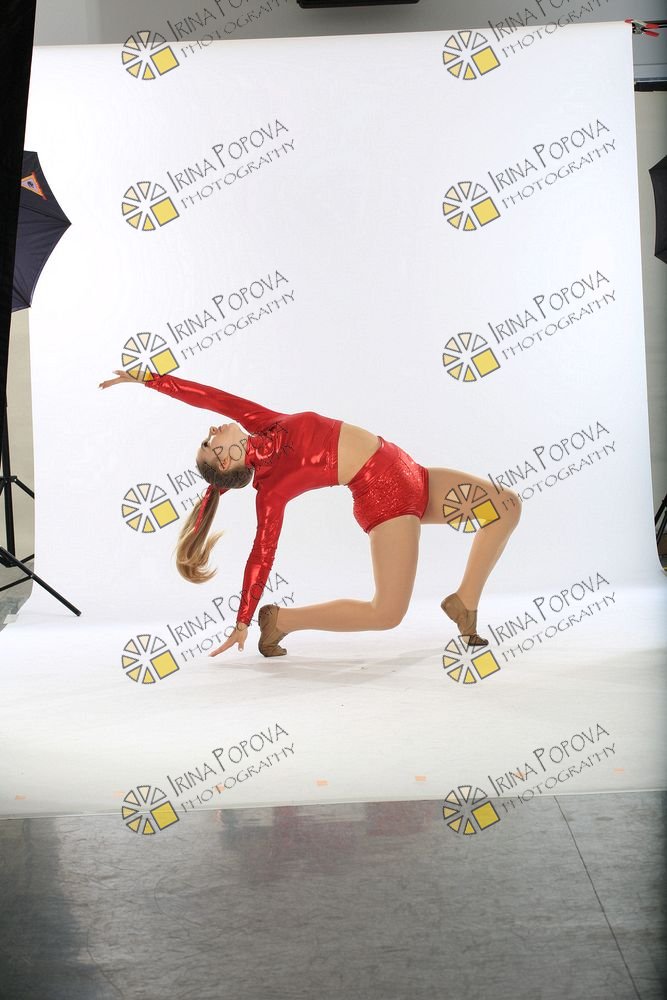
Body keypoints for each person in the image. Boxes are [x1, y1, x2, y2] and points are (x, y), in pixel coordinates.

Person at [98, 369, 521, 657]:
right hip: (386, 499)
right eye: (208, 444)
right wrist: (242, 620)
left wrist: (148, 380)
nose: (211, 431)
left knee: (505, 506)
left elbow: (211, 398)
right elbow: (261, 555)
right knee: (388, 613)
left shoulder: (264, 422)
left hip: (413, 474)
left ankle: (464, 603)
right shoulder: (270, 491)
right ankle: (280, 620)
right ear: (225, 462)